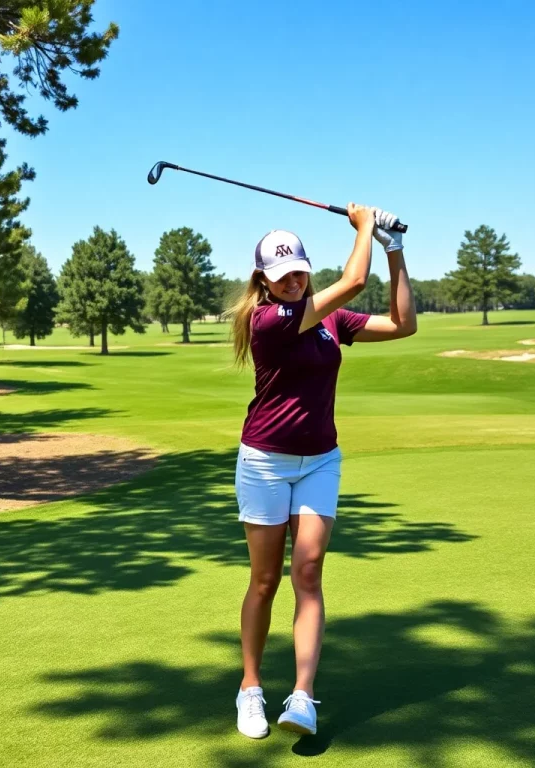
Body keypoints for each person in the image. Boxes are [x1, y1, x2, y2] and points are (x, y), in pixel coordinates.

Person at [229, 203, 417, 738]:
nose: (291, 281)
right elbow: (355, 280)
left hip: (320, 462)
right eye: (281, 274)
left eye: (298, 272)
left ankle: (303, 697)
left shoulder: (328, 318)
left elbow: (404, 324)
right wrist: (362, 227)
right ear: (263, 280)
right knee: (265, 581)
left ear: (306, 269)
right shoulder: (265, 320)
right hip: (265, 462)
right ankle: (250, 689)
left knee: (307, 573)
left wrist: (393, 248)